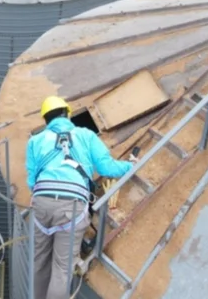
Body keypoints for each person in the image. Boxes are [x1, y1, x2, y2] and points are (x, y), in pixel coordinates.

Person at [25, 96, 133, 299]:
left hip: (41, 203)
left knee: (38, 261)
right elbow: (106, 167)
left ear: (46, 120)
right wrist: (130, 165)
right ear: (67, 114)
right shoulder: (85, 135)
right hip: (71, 207)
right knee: (62, 268)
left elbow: (31, 182)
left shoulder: (35, 141)